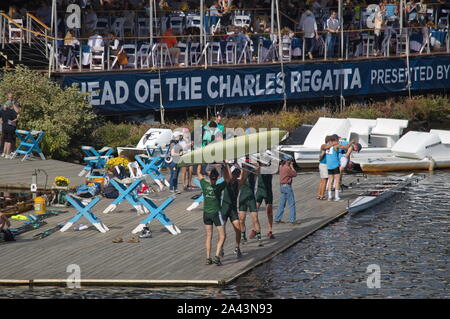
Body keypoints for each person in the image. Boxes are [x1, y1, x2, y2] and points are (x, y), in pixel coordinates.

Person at [197, 164, 229, 266]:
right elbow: (229, 178)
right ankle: (216, 256)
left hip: (206, 213)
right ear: (217, 178)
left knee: (208, 236)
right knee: (223, 236)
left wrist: (199, 162)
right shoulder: (219, 187)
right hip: (216, 213)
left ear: (209, 177)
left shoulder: (205, 185)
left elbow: (198, 173)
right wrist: (226, 166)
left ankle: (208, 258)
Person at [238, 157, 263, 246]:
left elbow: (258, 168)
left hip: (251, 198)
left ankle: (259, 237)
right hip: (243, 198)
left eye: (247, 167)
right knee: (241, 219)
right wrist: (243, 172)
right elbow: (240, 184)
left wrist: (256, 161)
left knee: (255, 218)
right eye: (245, 167)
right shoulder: (242, 174)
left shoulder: (253, 174)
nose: (247, 169)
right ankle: (243, 236)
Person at [221, 164, 244, 258]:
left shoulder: (238, 183)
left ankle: (237, 247)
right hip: (225, 209)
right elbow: (228, 176)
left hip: (233, 210)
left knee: (238, 229)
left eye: (237, 174)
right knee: (222, 231)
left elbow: (243, 176)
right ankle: (221, 248)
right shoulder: (227, 182)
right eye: (234, 174)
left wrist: (239, 165)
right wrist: (226, 165)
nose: (235, 176)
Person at [274, 154, 299, 224]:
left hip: (282, 186)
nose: (291, 162)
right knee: (292, 204)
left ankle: (277, 218)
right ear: (288, 161)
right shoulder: (287, 168)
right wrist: (292, 167)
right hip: (287, 186)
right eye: (290, 161)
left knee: (282, 204)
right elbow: (295, 174)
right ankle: (292, 220)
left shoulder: (281, 166)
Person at [255, 157, 275, 239]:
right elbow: (257, 171)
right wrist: (258, 163)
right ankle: (256, 229)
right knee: (254, 211)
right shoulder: (259, 169)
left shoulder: (270, 169)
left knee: (269, 211)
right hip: (259, 191)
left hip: (268, 192)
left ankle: (270, 230)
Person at [317, 136, 331, 200]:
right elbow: (321, 156)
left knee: (322, 181)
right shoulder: (324, 145)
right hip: (324, 165)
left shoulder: (327, 147)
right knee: (324, 181)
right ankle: (322, 195)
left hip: (323, 165)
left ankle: (319, 195)